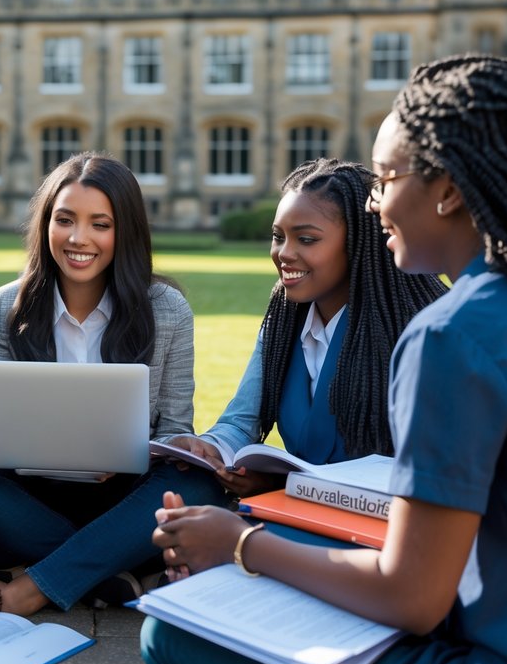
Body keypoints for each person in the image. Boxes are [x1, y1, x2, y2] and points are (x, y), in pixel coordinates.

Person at [144, 55, 507, 664]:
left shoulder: (449, 334)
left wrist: (238, 545)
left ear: (450, 191)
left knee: (175, 635)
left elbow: (411, 596)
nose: (375, 203)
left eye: (385, 178)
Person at [0, 152, 218, 614]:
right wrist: (43, 448)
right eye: (65, 220)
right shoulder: (5, 307)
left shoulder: (168, 310)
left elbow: (176, 427)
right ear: (45, 225)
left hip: (124, 500)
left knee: (202, 485)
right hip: (28, 501)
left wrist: (144, 451)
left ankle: (29, 586)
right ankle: (108, 570)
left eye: (100, 224)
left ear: (125, 231)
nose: (79, 238)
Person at [177, 158, 448, 498]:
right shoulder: (284, 324)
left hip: (373, 530)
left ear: (358, 245)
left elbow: (417, 474)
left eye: (306, 239)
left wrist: (284, 484)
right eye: (278, 237)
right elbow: (239, 422)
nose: (284, 254)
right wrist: (208, 447)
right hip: (297, 516)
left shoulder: (411, 330)